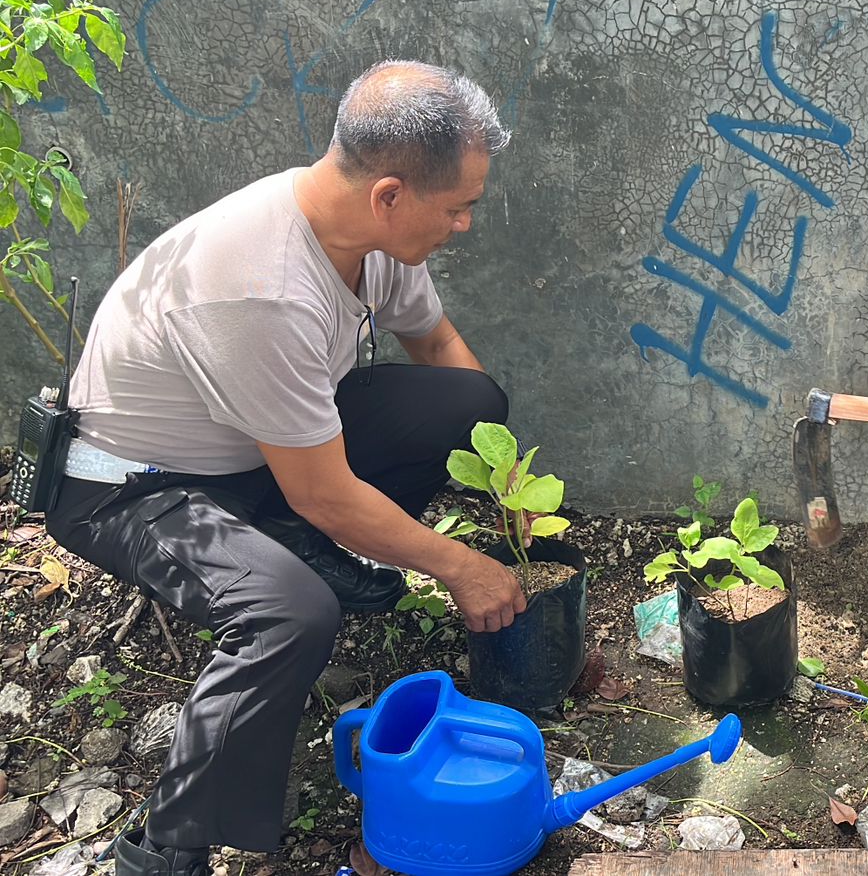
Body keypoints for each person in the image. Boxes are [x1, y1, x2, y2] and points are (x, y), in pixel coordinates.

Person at [44, 61, 529, 876]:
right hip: (134, 486)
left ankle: (290, 545)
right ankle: (167, 845)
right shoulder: (260, 286)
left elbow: (440, 351)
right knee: (290, 613)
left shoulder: (370, 237)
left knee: (467, 402)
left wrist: (503, 482)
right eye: (459, 208)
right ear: (390, 194)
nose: (465, 225)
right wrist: (461, 566)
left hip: (254, 451)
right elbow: (324, 490)